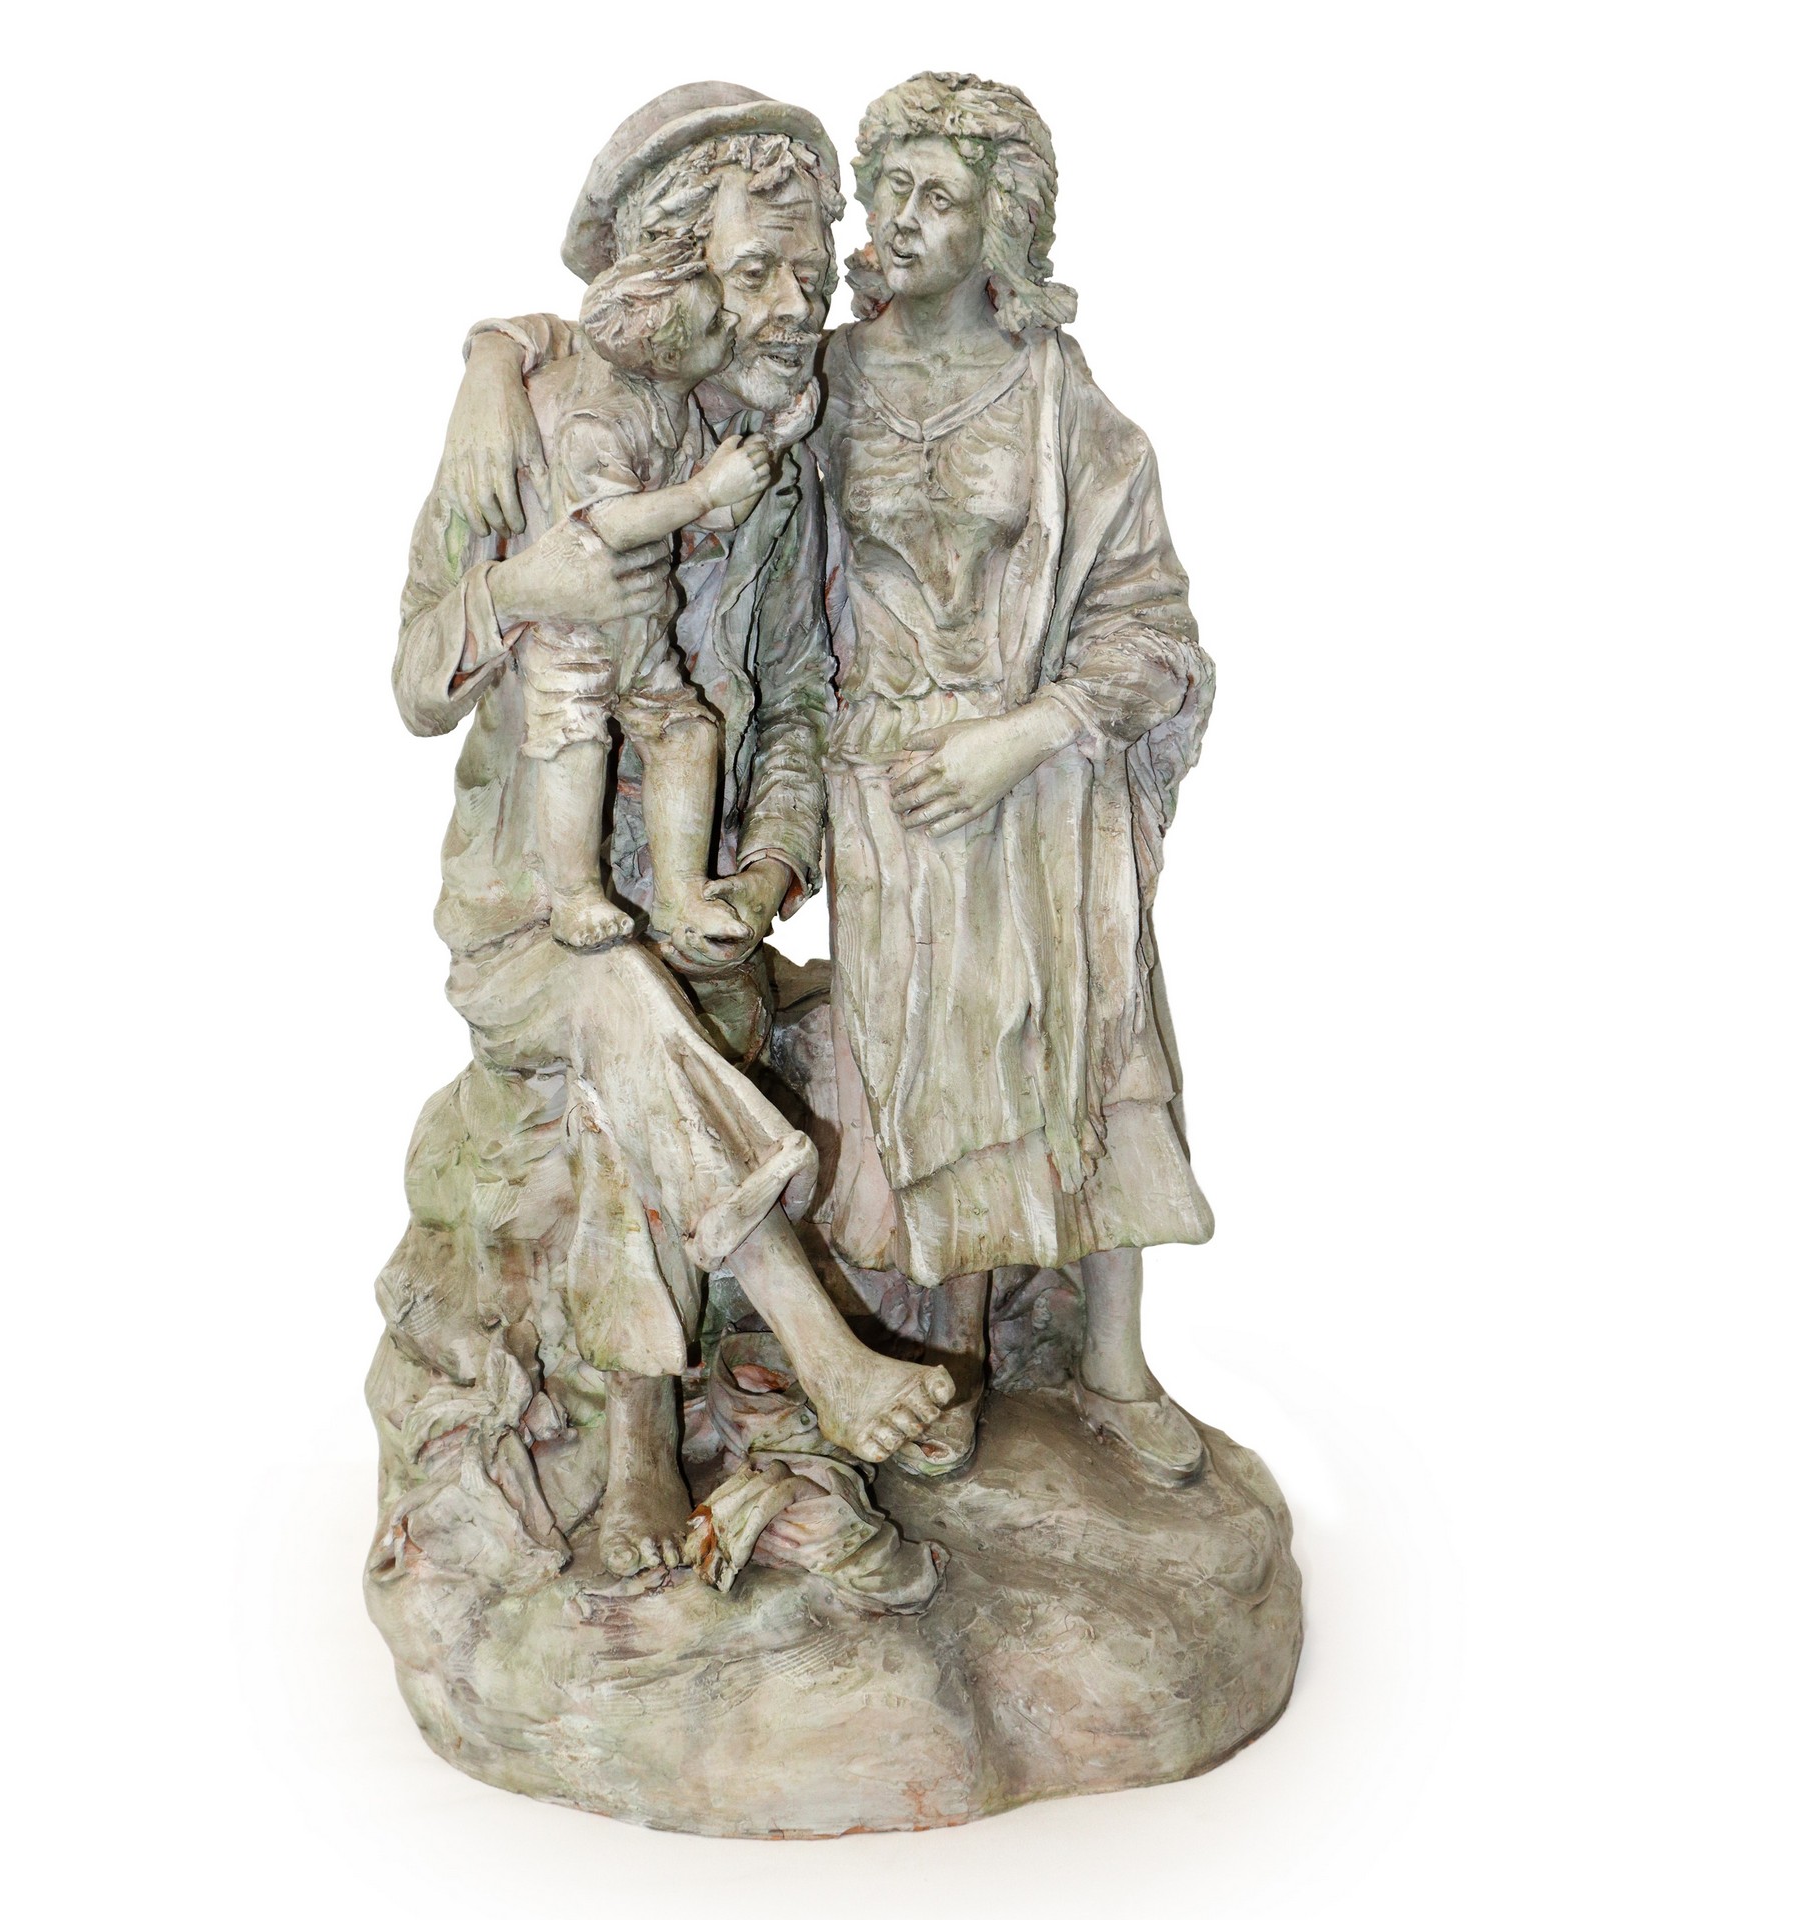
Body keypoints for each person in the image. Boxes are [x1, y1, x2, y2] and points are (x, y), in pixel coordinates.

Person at [395, 86, 953, 1579]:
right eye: (755, 268)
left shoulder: (778, 466)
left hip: (695, 905)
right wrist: (527, 588)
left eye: (808, 271)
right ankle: (694, 1415)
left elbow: (802, 701)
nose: (791, 304)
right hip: (538, 915)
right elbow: (414, 681)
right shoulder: (531, 414)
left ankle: (735, 1397)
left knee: (727, 1009)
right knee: (619, 1012)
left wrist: (767, 871)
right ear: (673, 267)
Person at [811, 73, 1217, 1483]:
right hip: (889, 786)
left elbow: (1149, 623)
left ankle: (1111, 1364)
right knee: (919, 1061)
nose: (903, 217)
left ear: (1002, 223)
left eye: (940, 195)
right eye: (891, 186)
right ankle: (944, 1355)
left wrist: (1028, 734)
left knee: (1090, 1043)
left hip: (1039, 783)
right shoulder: (822, 384)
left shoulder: (1060, 401)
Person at [519, 240, 772, 951]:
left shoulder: (676, 408)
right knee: (574, 741)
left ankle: (682, 895)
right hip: (577, 631)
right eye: (714, 323)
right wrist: (704, 493)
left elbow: (712, 514)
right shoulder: (597, 421)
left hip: (638, 627)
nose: (731, 324)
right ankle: (573, 896)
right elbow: (611, 522)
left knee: (687, 733)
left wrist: (738, 484)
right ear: (665, 352)